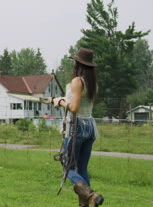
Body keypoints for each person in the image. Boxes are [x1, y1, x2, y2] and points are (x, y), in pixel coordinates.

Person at [42, 48, 104, 206]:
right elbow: (79, 101)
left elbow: (74, 107)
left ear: (78, 64)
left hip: (77, 127)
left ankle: (91, 195)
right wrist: (59, 99)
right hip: (89, 126)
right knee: (81, 169)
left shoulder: (77, 81)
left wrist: (60, 102)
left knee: (67, 167)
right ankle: (87, 203)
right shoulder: (92, 83)